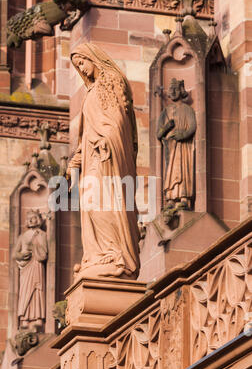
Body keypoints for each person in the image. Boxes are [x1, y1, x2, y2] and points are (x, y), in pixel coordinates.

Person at [67, 43, 140, 280]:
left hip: (107, 155)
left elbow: (117, 121)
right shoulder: (90, 92)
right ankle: (98, 254)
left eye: (83, 63)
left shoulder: (109, 82)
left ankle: (115, 254)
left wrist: (106, 140)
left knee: (103, 202)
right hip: (92, 157)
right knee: (91, 204)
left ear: (94, 58)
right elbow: (86, 133)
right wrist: (75, 161)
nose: (83, 70)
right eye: (78, 66)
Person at [157, 78, 197, 211]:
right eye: (171, 89)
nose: (172, 91)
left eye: (175, 89)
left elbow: (192, 127)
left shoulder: (187, 109)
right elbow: (158, 133)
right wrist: (168, 126)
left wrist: (183, 135)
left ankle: (184, 197)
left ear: (181, 91)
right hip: (171, 146)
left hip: (183, 146)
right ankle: (171, 198)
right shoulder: (166, 112)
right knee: (171, 172)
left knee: (183, 170)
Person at [14, 210, 48, 331]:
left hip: (36, 263)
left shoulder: (42, 234)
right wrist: (22, 256)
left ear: (38, 219)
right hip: (25, 266)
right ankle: (24, 318)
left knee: (36, 290)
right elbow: (15, 253)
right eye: (29, 218)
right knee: (24, 292)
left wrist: (35, 246)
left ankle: (38, 317)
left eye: (33, 217)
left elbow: (44, 253)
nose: (31, 220)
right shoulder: (22, 236)